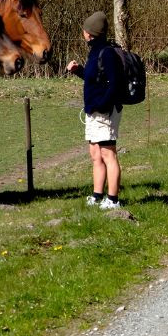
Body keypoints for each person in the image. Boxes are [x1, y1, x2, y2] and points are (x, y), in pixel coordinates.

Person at [66, 11, 123, 211]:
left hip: (104, 112)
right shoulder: (95, 51)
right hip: (93, 112)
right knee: (95, 155)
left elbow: (114, 84)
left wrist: (103, 106)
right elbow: (96, 80)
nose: (83, 32)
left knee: (109, 155)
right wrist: (78, 71)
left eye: (85, 29)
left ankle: (113, 199)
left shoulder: (107, 52)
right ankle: (98, 195)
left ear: (90, 32)